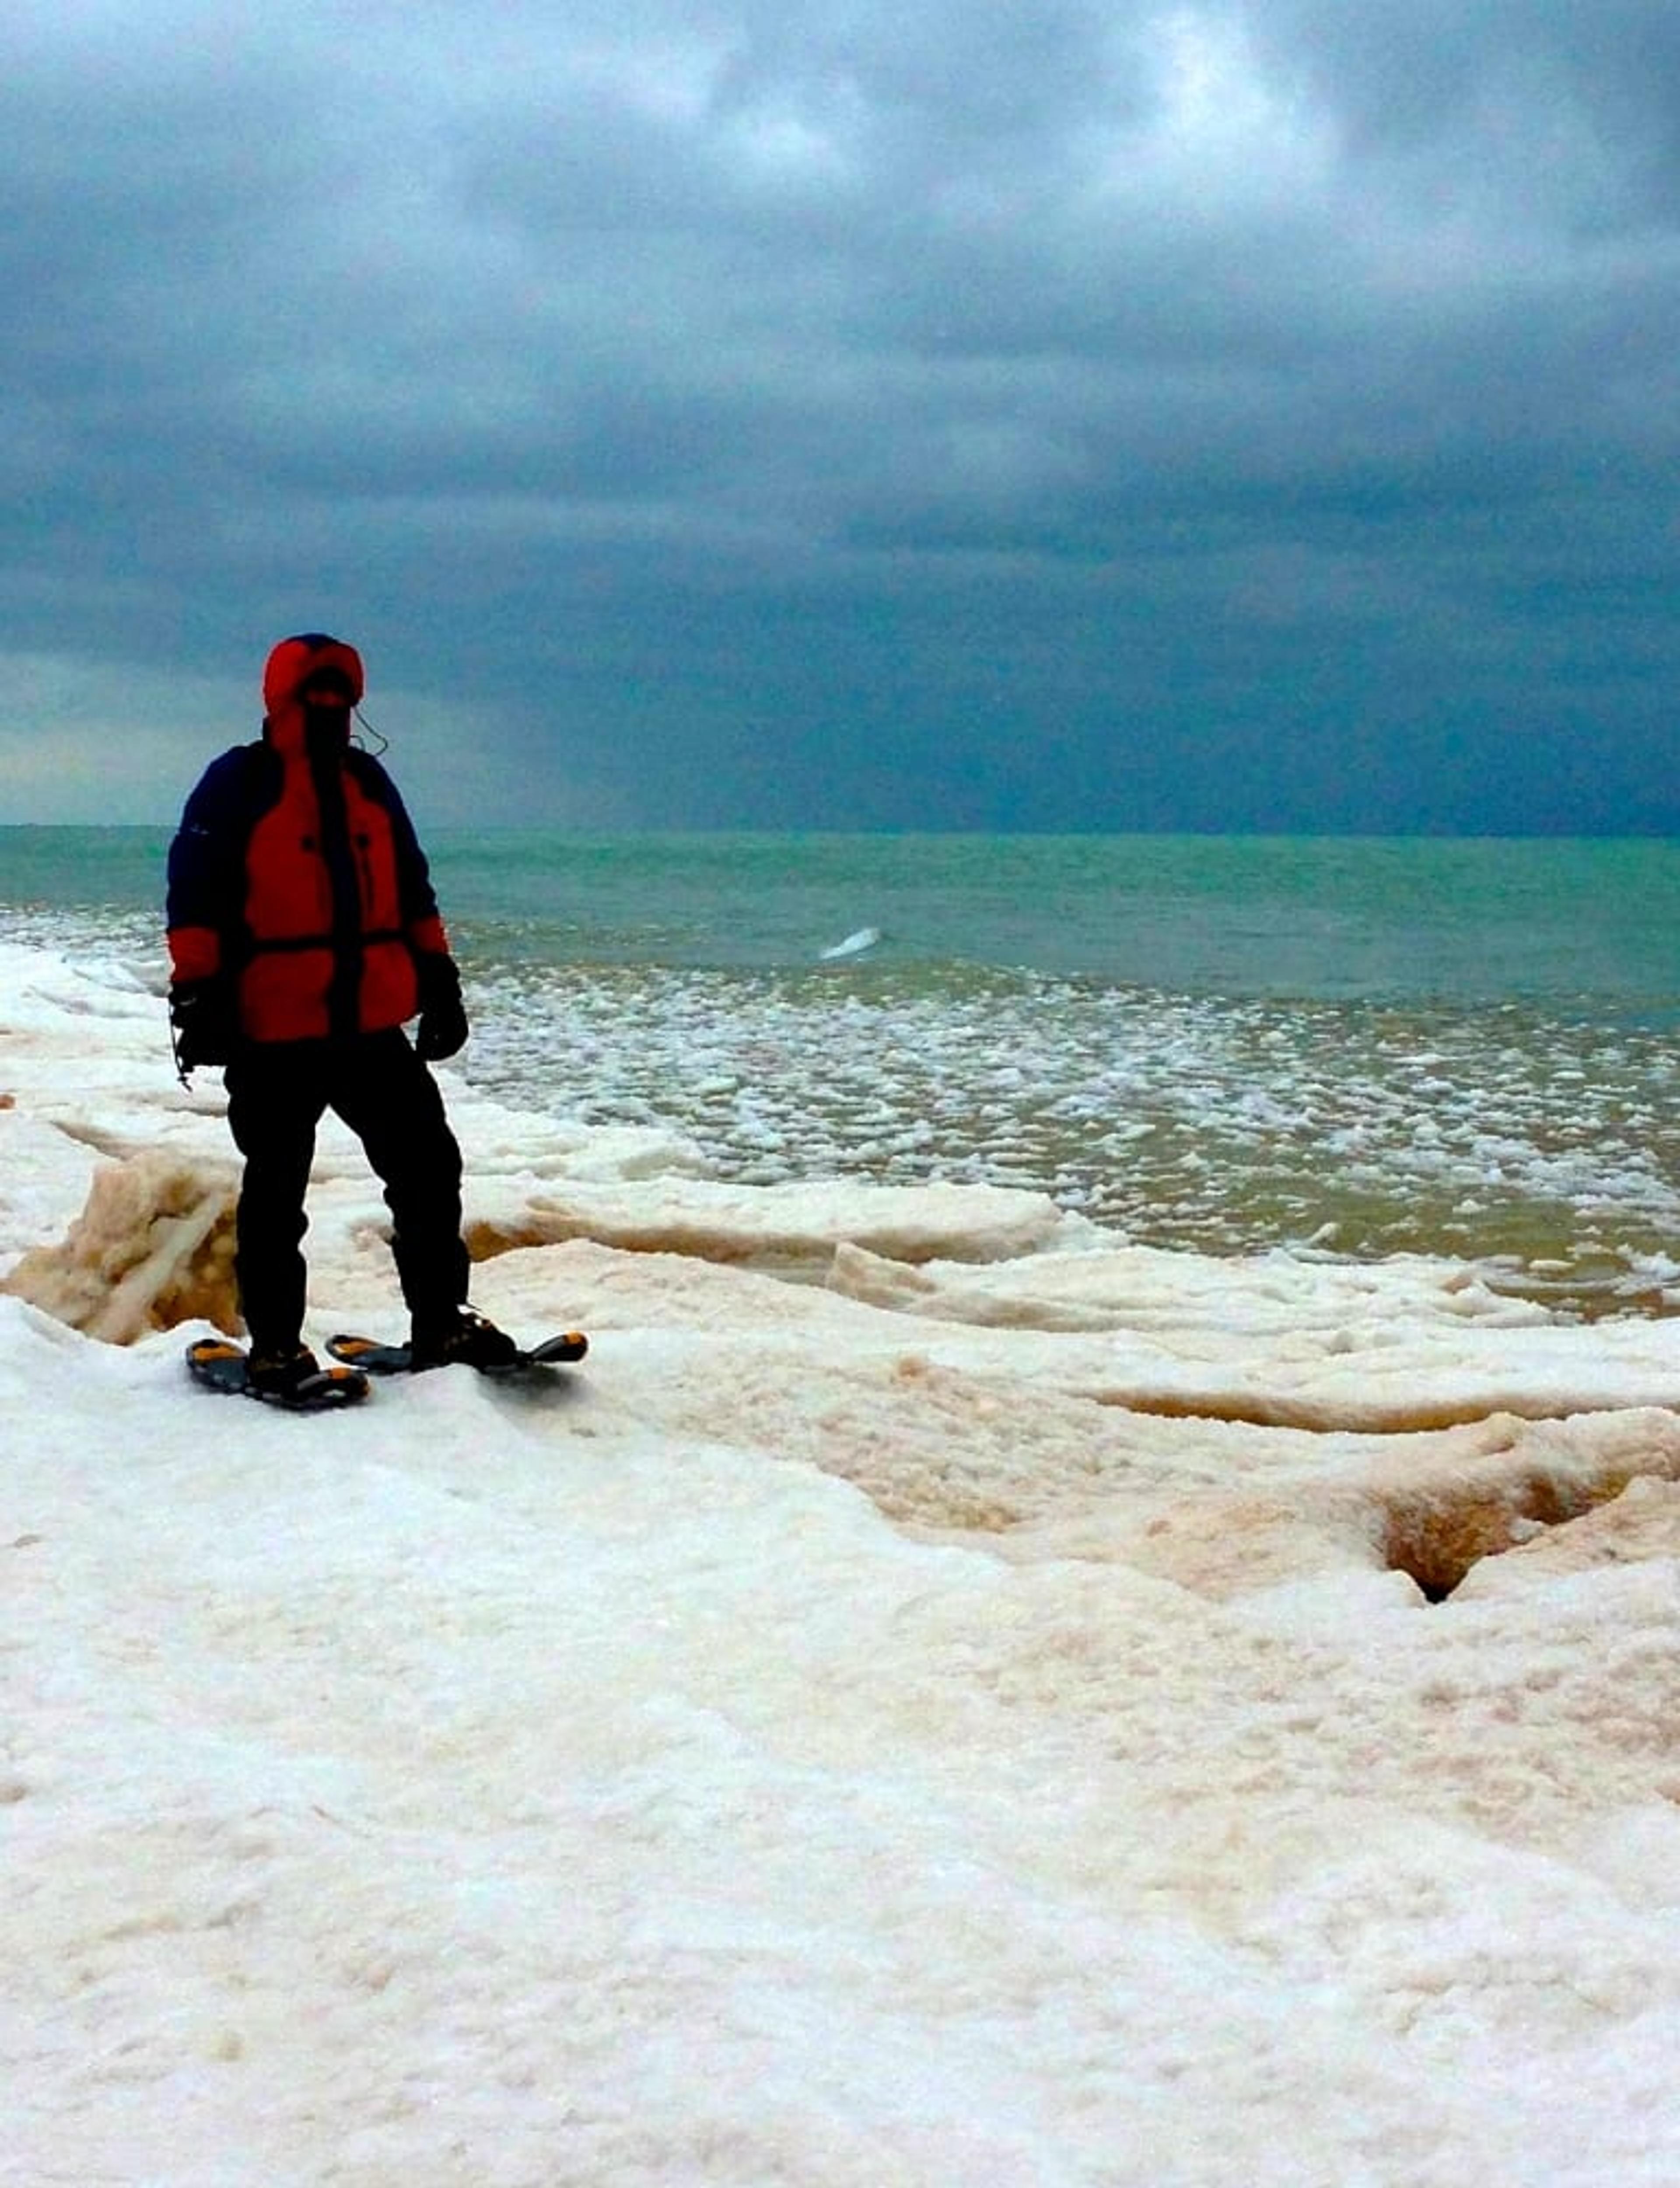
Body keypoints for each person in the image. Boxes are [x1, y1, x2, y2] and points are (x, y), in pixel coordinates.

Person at [166, 631, 518, 1396]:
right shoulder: (237, 783)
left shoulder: (370, 783)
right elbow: (194, 893)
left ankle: (441, 1321)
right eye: (315, 697)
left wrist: (441, 982)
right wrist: (198, 997)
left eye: (342, 699)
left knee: (428, 1168)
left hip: (370, 1028)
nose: (331, 711)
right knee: (276, 1193)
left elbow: (413, 890)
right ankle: (275, 1349)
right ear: (283, 699)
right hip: (273, 1030)